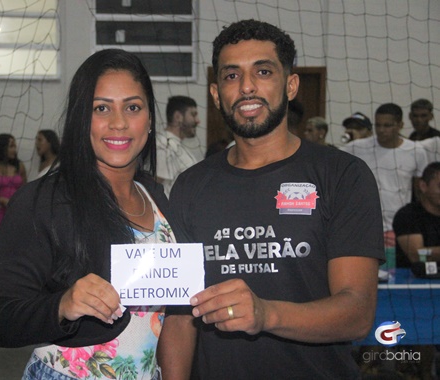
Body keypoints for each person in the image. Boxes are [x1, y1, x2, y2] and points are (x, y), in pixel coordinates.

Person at [158, 19, 384, 379]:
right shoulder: (190, 186)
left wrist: (265, 314)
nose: (247, 87)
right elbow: (180, 318)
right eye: (232, 76)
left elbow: (357, 312)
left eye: (263, 71)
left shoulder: (343, 175)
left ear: (290, 85)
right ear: (216, 94)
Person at [0, 49, 180, 380]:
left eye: (132, 107)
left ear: (150, 119)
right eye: (101, 108)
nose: (118, 123)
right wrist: (62, 305)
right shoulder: (41, 201)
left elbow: (175, 313)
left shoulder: (157, 198)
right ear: (80, 119)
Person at [341, 103, 428, 263]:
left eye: (387, 125)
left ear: (400, 125)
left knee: (398, 276)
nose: (381, 130)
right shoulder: (356, 148)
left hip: (400, 229)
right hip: (365, 226)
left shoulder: (416, 151)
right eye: (378, 125)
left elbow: (420, 192)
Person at [392, 161, 440, 380]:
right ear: (423, 186)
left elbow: (425, 252)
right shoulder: (408, 215)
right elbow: (416, 254)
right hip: (411, 292)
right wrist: (427, 253)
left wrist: (431, 252)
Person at [156, 95, 201, 196]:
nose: (198, 121)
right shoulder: (163, 145)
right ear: (178, 117)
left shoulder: (175, 145)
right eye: (193, 115)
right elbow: (155, 185)